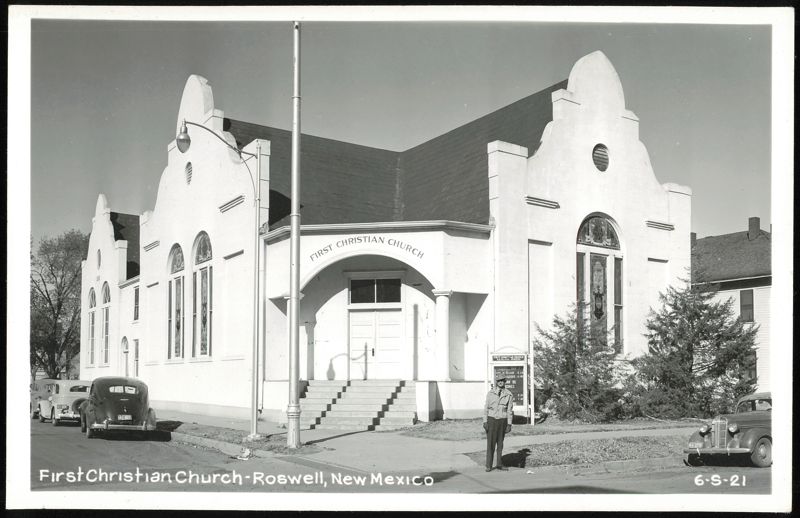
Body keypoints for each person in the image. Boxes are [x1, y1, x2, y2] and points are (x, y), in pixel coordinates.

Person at [483, 375, 514, 472]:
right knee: (491, 444)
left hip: (502, 421)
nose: (501, 382)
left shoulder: (509, 394)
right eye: (499, 381)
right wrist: (485, 421)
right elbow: (486, 408)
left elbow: (509, 410)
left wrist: (509, 424)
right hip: (491, 420)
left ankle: (499, 464)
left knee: (500, 444)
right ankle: (488, 465)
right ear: (496, 382)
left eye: (502, 381)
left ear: (505, 382)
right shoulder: (490, 393)